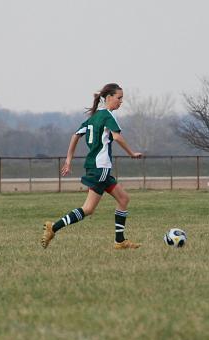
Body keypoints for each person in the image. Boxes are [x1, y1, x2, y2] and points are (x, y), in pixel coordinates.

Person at [41, 83, 143, 250]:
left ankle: (120, 241)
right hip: (100, 169)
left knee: (124, 199)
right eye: (119, 98)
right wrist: (131, 153)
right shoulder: (108, 116)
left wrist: (68, 160)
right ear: (109, 98)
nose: (121, 101)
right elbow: (116, 137)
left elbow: (75, 135)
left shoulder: (93, 118)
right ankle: (54, 227)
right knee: (88, 209)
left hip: (98, 169)